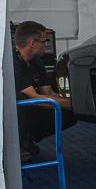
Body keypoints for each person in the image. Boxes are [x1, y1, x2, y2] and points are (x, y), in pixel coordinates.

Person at [13, 21, 77, 162]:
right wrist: (73, 104)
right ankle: (17, 145)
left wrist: (76, 105)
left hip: (30, 109)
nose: (46, 45)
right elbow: (34, 97)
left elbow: (49, 94)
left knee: (72, 114)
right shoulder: (12, 63)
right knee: (21, 97)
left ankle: (29, 138)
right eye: (44, 41)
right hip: (9, 114)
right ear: (32, 43)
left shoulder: (37, 62)